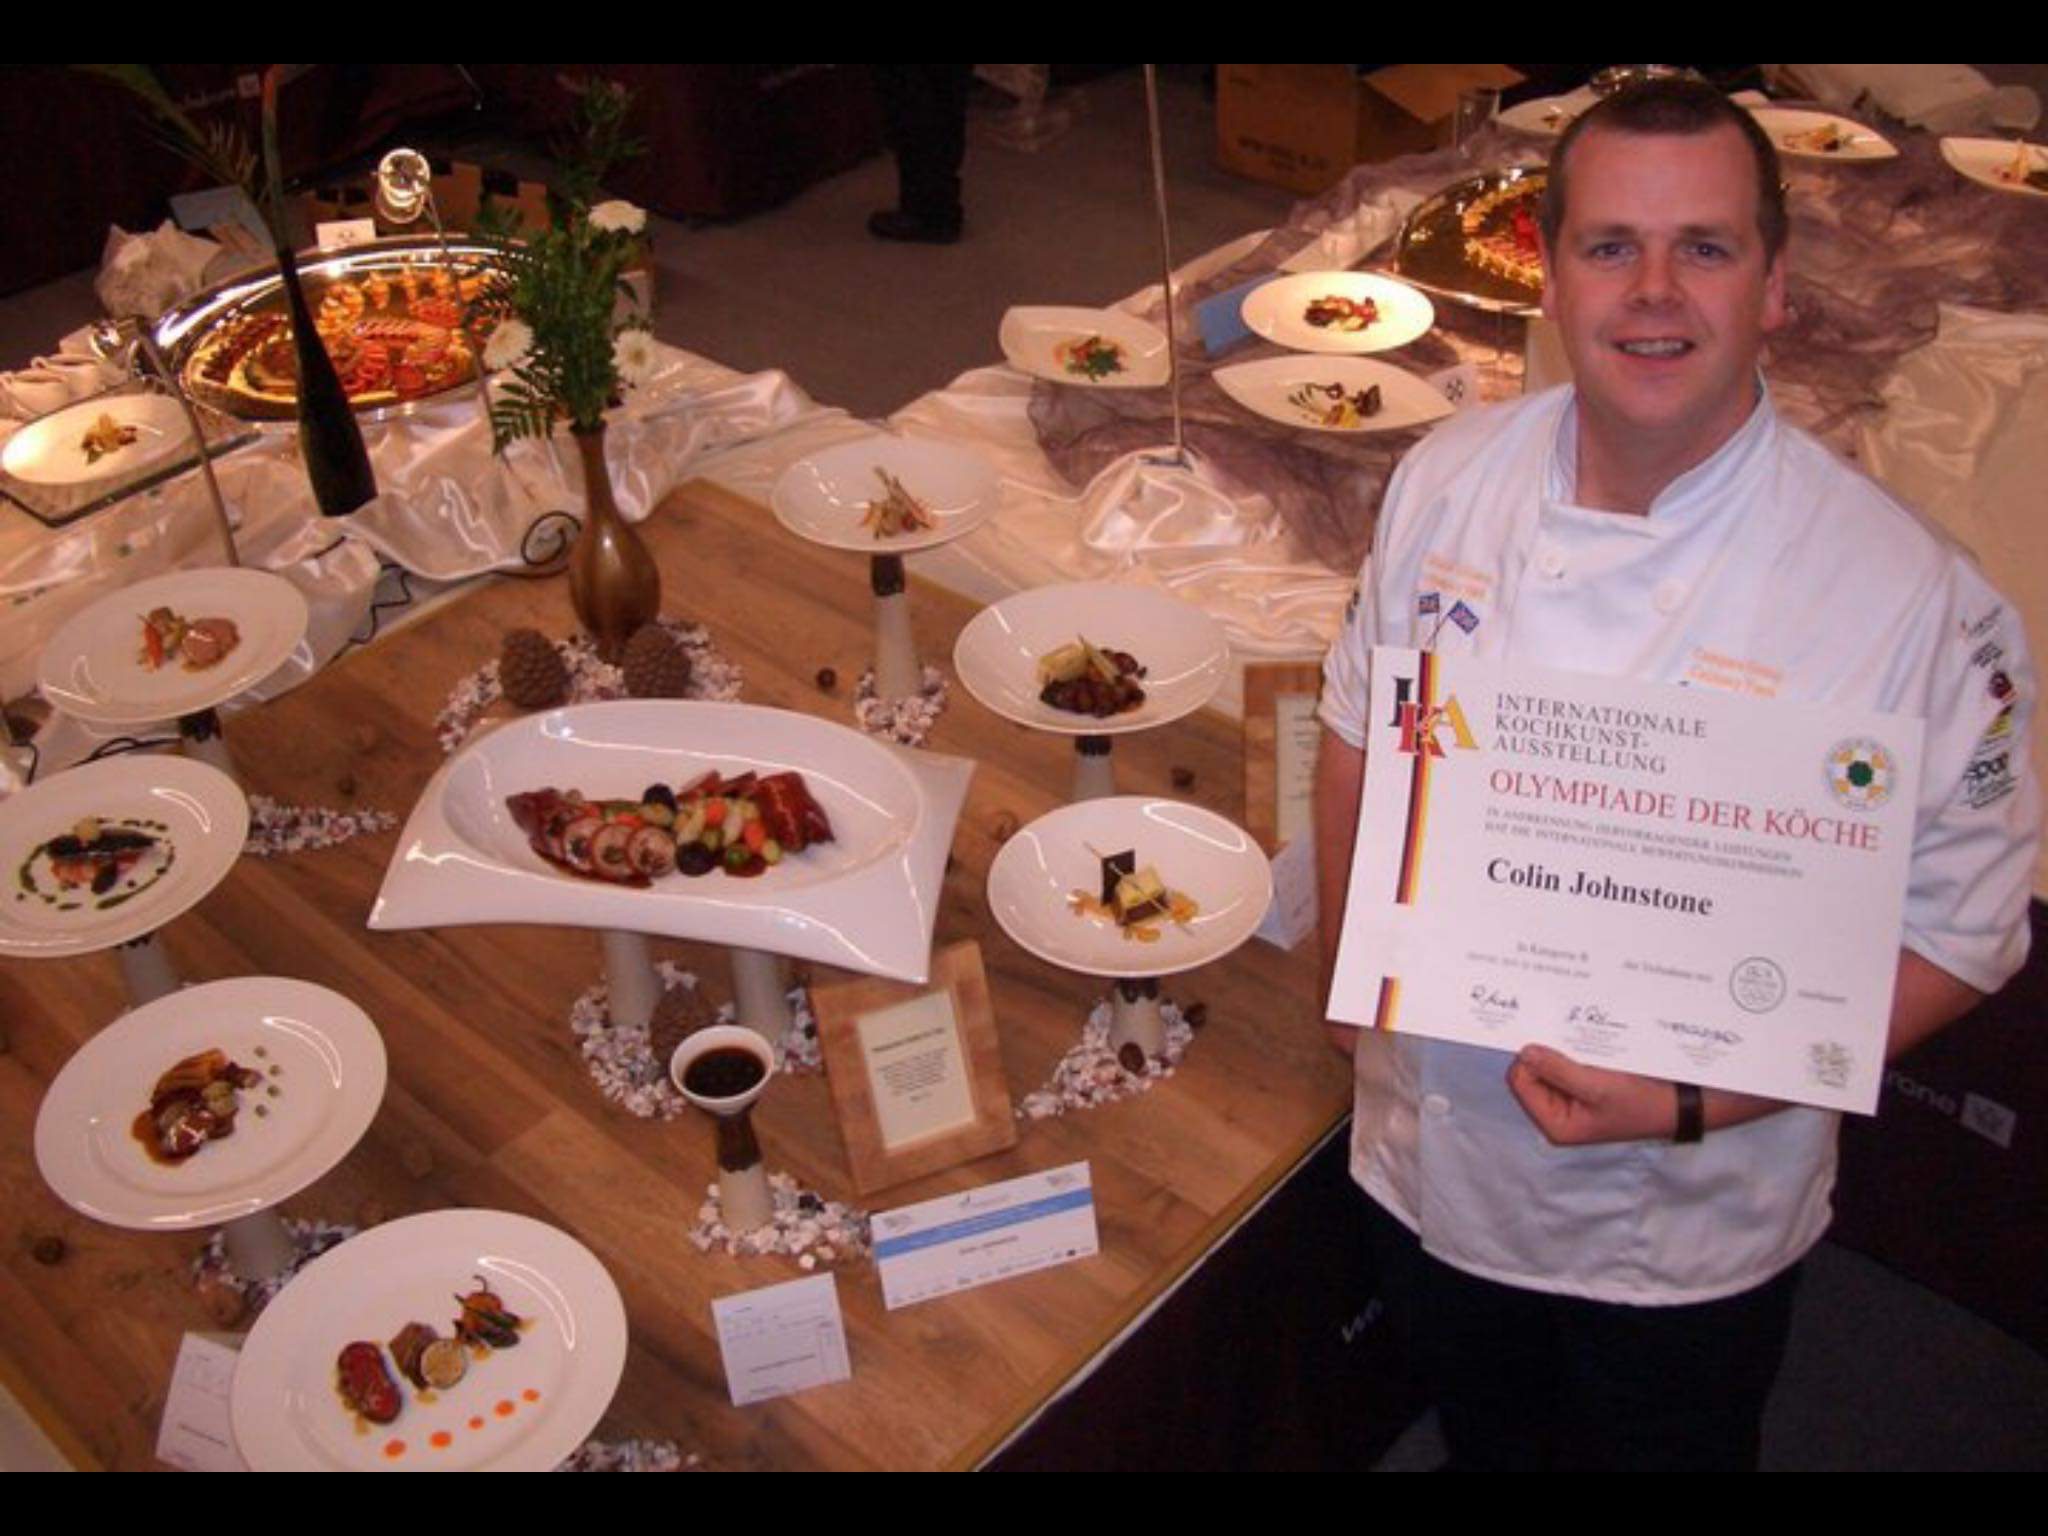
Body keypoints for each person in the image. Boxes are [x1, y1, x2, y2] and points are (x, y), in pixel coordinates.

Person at [1313, 78, 2039, 1471]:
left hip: (1687, 1228)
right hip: (1432, 1161)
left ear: (1774, 285)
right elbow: (1360, 727)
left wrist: (1695, 1100)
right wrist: (1357, 977)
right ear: (1550, 274)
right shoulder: (1446, 479)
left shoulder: (1906, 602)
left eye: (1703, 247)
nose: (1654, 292)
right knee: (1490, 1441)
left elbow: (1965, 934)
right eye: (1609, 247)